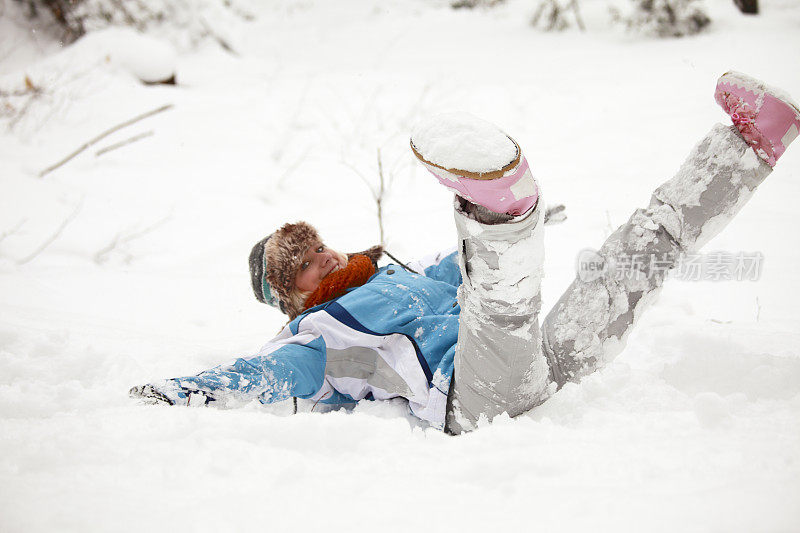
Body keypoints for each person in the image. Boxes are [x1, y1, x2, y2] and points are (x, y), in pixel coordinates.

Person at [131, 71, 800, 435]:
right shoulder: (317, 334)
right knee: (502, 301)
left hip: (535, 369)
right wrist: (187, 390)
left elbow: (465, 275)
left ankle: (749, 147)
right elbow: (265, 374)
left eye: (316, 243)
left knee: (627, 263)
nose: (324, 256)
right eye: (302, 262)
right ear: (293, 292)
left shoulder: (400, 276)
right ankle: (503, 210)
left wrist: (508, 242)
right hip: (474, 401)